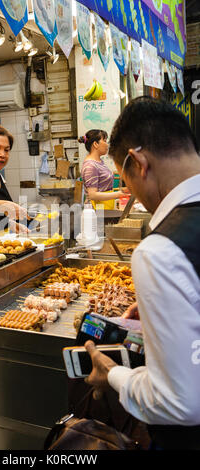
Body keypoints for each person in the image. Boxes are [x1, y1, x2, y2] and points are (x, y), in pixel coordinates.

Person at [84, 96, 200, 450]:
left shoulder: (161, 249)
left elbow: (180, 401)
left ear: (137, 162)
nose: (132, 194)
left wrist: (114, 374)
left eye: (126, 182)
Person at [79, 129, 126, 207]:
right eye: (104, 141)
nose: (107, 144)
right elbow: (92, 195)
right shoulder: (90, 166)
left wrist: (123, 191)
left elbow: (103, 188)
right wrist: (119, 194)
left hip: (104, 207)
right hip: (96, 211)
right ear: (95, 144)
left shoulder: (99, 162)